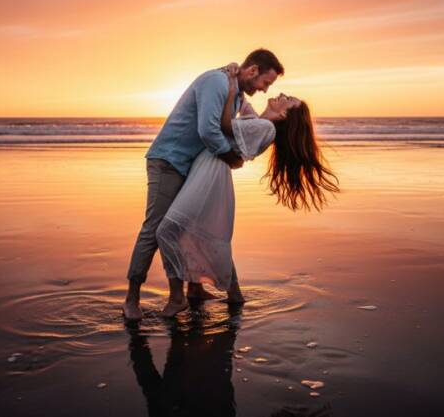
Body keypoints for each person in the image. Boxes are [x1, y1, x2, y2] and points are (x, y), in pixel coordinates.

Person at [155, 66, 340, 317]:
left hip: (211, 173)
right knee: (198, 232)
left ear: (285, 114)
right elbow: (244, 107)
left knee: (169, 230)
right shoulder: (261, 122)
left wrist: (230, 89)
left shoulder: (267, 129)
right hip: (209, 169)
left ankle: (179, 298)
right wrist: (235, 77)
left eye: (288, 99)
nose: (281, 94)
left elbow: (226, 125)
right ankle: (225, 293)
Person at [123, 49, 285, 320]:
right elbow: (208, 130)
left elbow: (250, 123)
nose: (264, 89)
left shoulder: (236, 94)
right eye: (265, 83)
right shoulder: (216, 82)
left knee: (191, 227)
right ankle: (131, 298)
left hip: (192, 165)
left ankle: (194, 289)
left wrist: (275, 121)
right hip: (169, 161)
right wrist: (230, 157)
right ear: (253, 70)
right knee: (154, 229)